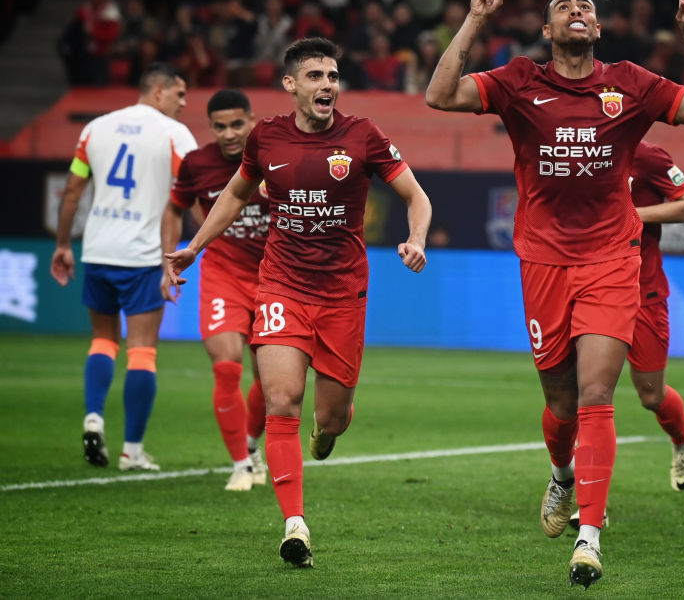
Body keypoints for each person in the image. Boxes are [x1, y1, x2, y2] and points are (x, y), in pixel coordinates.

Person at [425, 0, 684, 588]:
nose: (577, 11)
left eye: (586, 5)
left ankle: (589, 537)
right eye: (564, 5)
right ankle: (562, 476)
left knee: (597, 395)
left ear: (599, 27)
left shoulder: (631, 84)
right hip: (542, 262)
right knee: (560, 403)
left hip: (613, 259)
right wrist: (475, 19)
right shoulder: (519, 81)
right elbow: (440, 95)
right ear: (546, 28)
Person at [164, 37, 431, 568]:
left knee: (332, 417)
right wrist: (195, 246)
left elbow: (415, 196)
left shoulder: (364, 135)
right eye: (315, 76)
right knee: (282, 398)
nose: (327, 85)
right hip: (282, 284)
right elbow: (235, 195)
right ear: (290, 85)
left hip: (342, 294)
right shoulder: (265, 137)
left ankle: (327, 430)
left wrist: (416, 238)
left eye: (332, 76)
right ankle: (295, 525)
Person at [50, 62, 197, 471]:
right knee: (143, 351)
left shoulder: (95, 129)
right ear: (158, 91)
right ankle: (132, 450)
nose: (184, 103)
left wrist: (62, 244)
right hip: (143, 257)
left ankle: (93, 418)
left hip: (98, 251)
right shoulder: (174, 135)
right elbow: (191, 195)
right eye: (179, 94)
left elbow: (73, 191)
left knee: (102, 341)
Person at [569, 139, 684, 530]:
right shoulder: (574, 148)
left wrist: (629, 215)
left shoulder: (647, 155)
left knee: (650, 394)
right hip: (593, 289)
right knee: (590, 393)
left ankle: (682, 440)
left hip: (644, 291)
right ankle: (591, 504)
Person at [160, 89, 268, 492]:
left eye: (237, 124)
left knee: (270, 380)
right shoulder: (196, 164)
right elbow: (175, 207)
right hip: (224, 274)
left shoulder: (274, 157)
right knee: (226, 366)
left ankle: (252, 446)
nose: (229, 133)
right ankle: (240, 464)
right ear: (210, 127)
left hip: (275, 279)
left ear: (252, 121)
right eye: (220, 127)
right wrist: (167, 263)